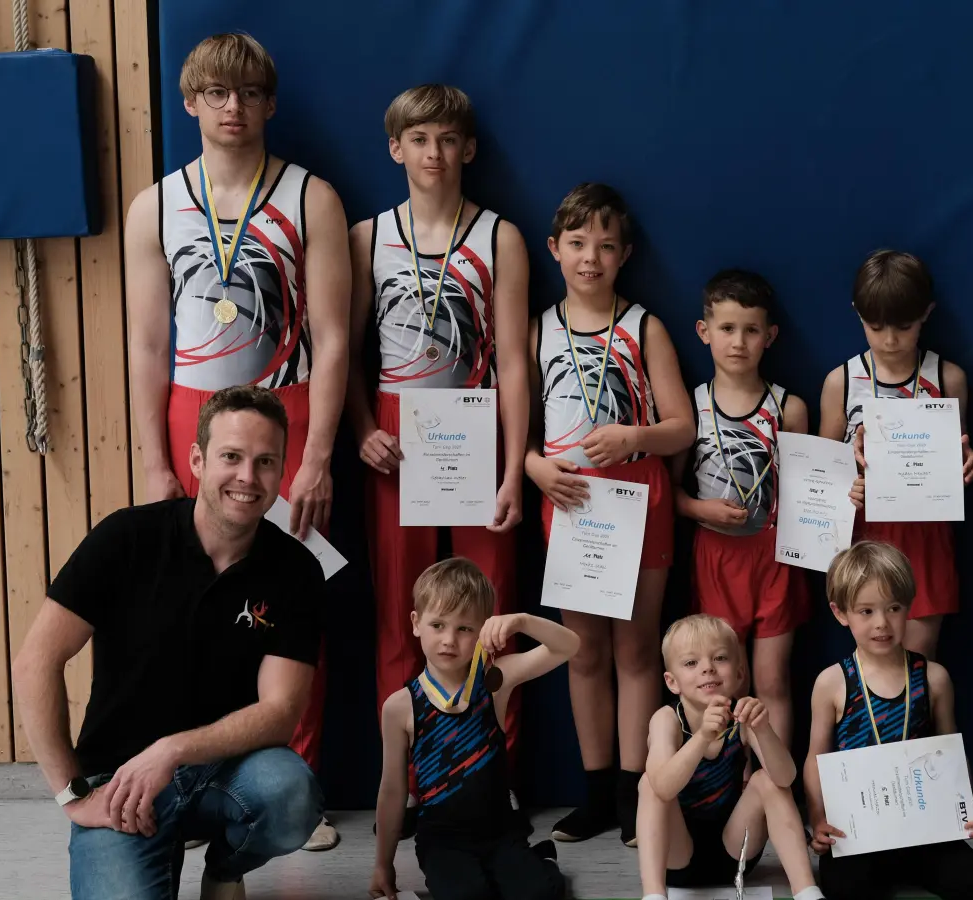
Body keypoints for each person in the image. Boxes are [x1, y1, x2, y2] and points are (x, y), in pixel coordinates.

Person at [122, 32, 350, 849]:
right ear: (189, 102)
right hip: (192, 409)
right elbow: (148, 344)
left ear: (270, 103)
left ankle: (295, 783)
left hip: (287, 406)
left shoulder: (310, 197)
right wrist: (154, 459)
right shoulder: (154, 205)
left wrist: (318, 453)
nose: (233, 108)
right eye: (216, 93)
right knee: (189, 601)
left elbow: (333, 335)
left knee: (289, 595)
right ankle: (191, 783)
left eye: (249, 94)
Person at [11, 386, 326, 900]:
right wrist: (72, 794)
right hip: (120, 782)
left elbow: (280, 712)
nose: (248, 477)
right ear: (198, 460)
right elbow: (34, 663)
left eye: (265, 461)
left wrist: (173, 750)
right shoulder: (125, 538)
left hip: (227, 770)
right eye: (231, 457)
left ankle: (225, 870)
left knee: (291, 794)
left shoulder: (297, 570)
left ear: (281, 470)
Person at [346, 85, 530, 748]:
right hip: (398, 430)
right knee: (403, 608)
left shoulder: (499, 236)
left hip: (476, 422)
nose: (434, 153)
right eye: (419, 140)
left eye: (448, 140)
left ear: (468, 149)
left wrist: (513, 472)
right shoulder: (367, 237)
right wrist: (364, 428)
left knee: (492, 609)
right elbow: (347, 351)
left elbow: (514, 361)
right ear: (396, 149)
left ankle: (493, 772)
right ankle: (408, 775)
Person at [527, 183, 694, 846]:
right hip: (569, 503)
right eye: (577, 244)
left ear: (624, 254)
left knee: (635, 649)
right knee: (583, 652)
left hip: (637, 501)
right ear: (555, 249)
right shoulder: (538, 328)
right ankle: (595, 791)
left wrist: (635, 438)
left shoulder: (645, 327)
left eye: (604, 246)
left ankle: (633, 791)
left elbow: (682, 427)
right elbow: (519, 428)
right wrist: (535, 468)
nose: (590, 258)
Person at [369, 558, 577, 900]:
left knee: (540, 894)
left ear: (483, 631)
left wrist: (521, 621)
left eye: (465, 628)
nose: (449, 640)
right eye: (438, 625)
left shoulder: (496, 681)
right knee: (468, 895)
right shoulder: (399, 707)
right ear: (416, 623)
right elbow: (392, 790)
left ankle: (541, 861)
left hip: (501, 832)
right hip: (442, 841)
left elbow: (569, 646)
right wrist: (383, 864)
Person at [804, 542, 973, 900]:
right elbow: (816, 758)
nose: (882, 623)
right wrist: (818, 818)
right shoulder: (832, 683)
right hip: (857, 834)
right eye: (866, 611)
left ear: (909, 607)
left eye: (893, 608)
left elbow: (951, 752)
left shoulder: (933, 677)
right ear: (840, 613)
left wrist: (969, 807)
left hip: (923, 829)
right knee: (845, 889)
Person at [819, 250, 973, 660]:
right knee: (873, 664)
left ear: (926, 313)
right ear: (858, 315)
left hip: (925, 534)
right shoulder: (841, 381)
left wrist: (966, 464)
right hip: (866, 536)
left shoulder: (948, 377)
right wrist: (849, 474)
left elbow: (957, 455)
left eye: (904, 327)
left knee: (917, 663)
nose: (889, 340)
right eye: (876, 327)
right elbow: (822, 475)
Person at [671, 269, 810, 741]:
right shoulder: (691, 407)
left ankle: (773, 776)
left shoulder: (788, 408)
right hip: (714, 558)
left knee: (770, 681)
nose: (738, 342)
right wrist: (699, 511)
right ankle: (727, 776)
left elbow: (808, 492)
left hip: (774, 560)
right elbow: (669, 493)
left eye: (751, 330)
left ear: (770, 336)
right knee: (722, 685)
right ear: (703, 331)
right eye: (727, 328)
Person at [635, 615, 824, 900]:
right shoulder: (666, 719)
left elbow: (786, 778)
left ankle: (807, 891)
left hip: (735, 853)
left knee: (767, 781)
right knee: (648, 783)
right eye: (691, 663)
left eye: (720, 658)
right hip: (676, 857)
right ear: (672, 682)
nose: (707, 668)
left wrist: (763, 730)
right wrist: (701, 737)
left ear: (739, 674)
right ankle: (653, 895)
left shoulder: (742, 716)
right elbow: (663, 787)